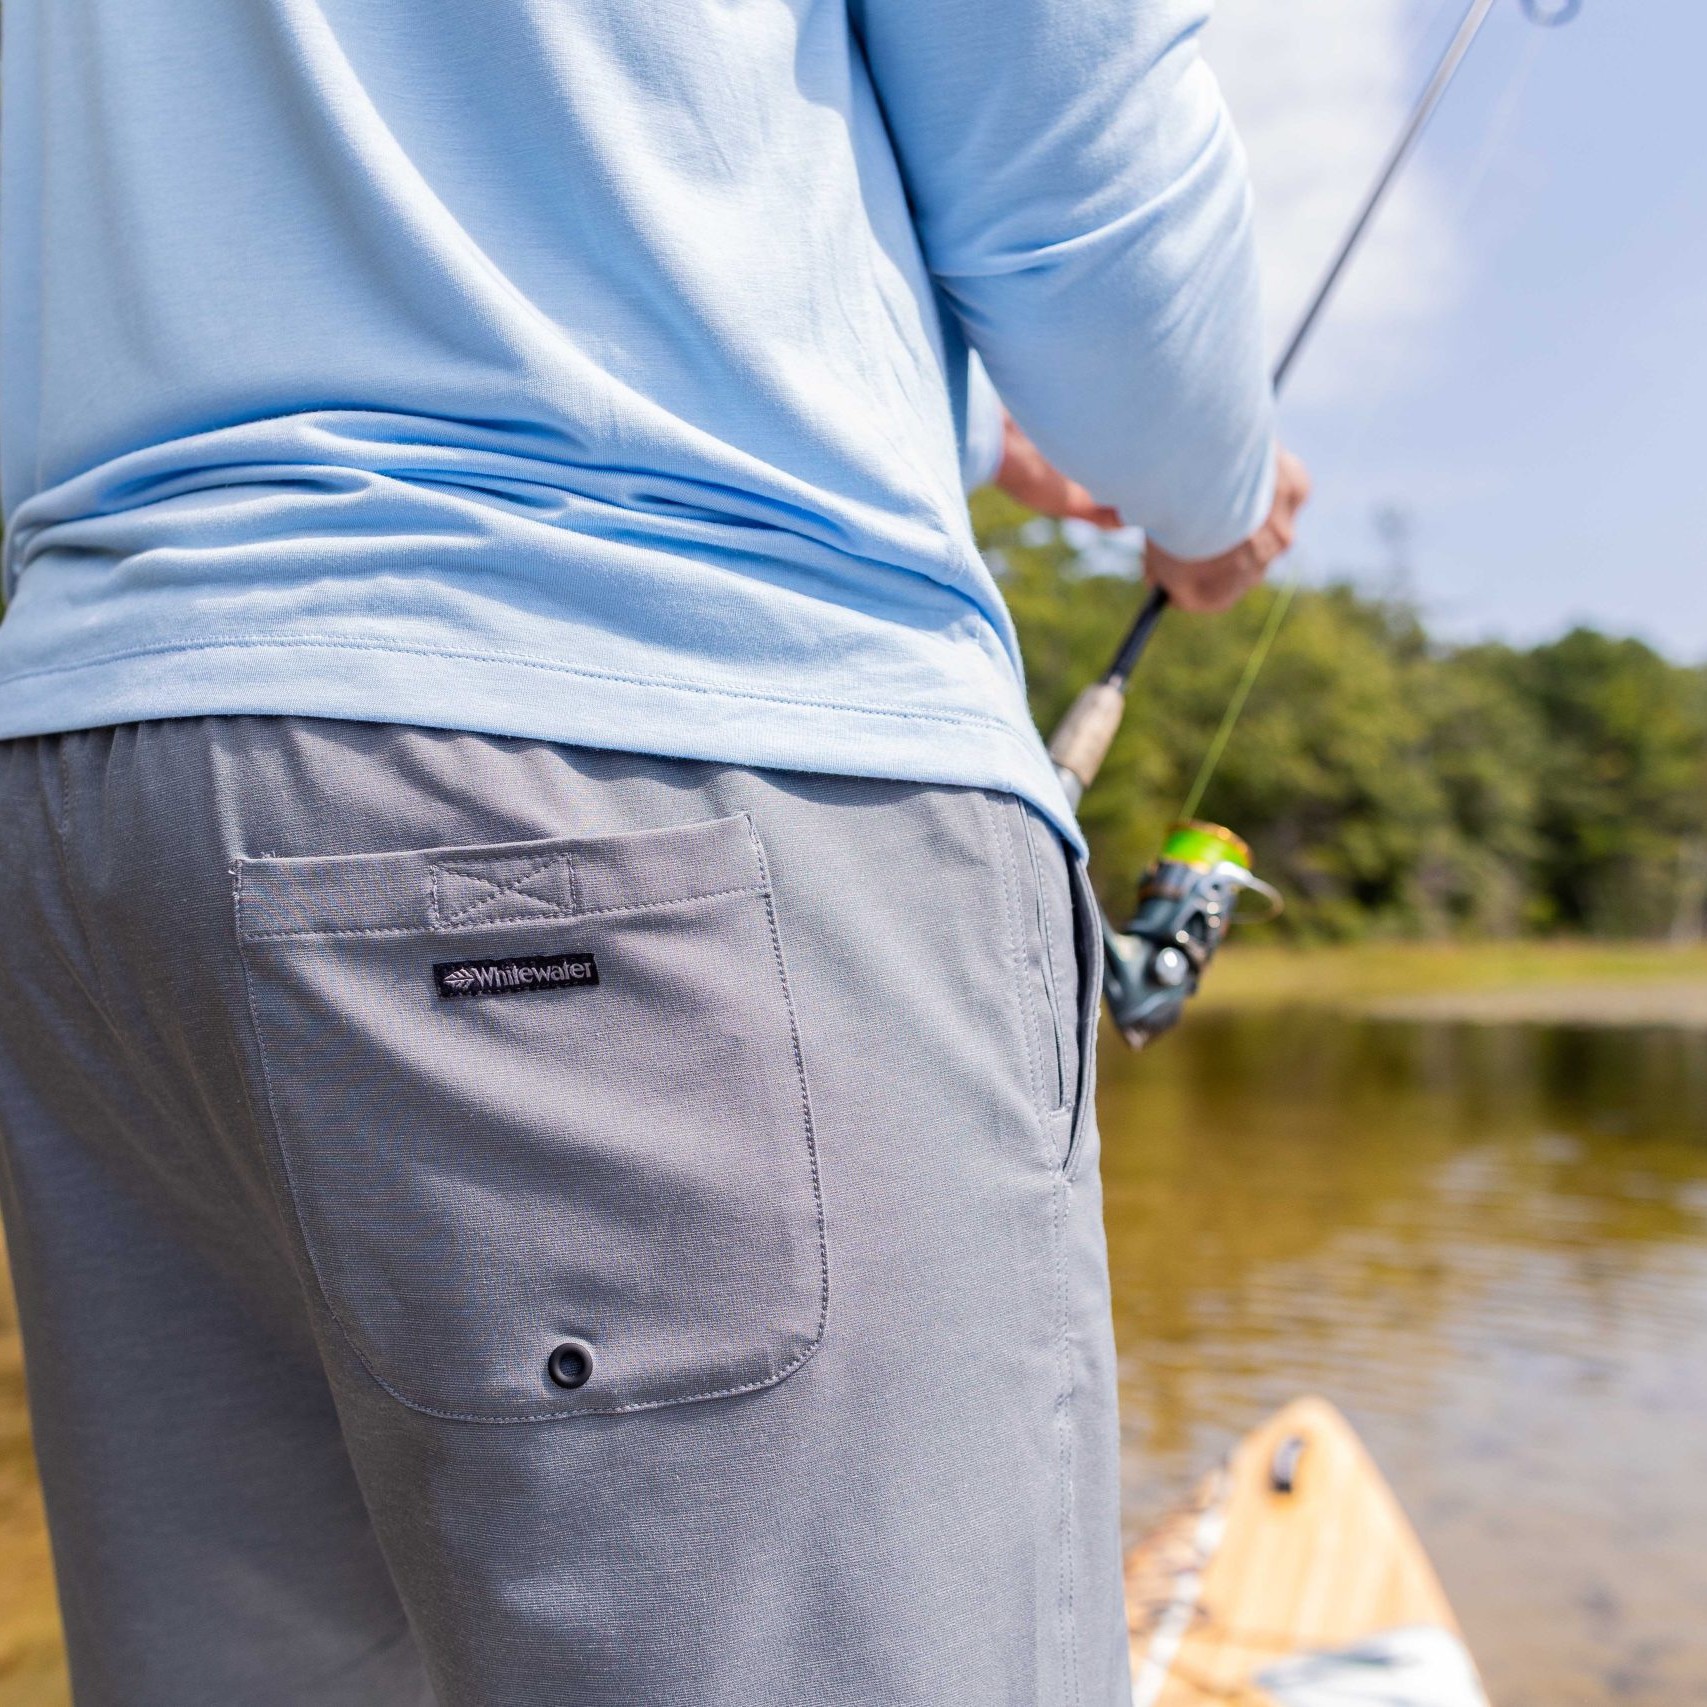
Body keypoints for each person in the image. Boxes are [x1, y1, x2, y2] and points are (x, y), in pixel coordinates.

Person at [0, 2, 1307, 1703]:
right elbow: (1076, 153)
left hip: (93, 810)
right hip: (653, 763)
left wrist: (979, 439)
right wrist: (1210, 490)